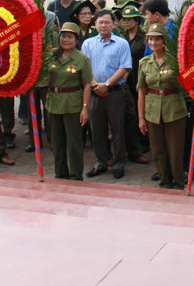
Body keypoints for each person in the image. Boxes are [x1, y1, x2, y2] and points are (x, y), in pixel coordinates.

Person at [38, 22, 93, 180]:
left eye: (70, 37)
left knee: (75, 144)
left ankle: (76, 176)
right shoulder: (51, 56)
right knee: (56, 144)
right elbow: (43, 77)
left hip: (73, 104)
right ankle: (60, 174)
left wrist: (84, 108)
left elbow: (87, 84)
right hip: (53, 103)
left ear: (76, 40)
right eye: (63, 36)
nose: (65, 40)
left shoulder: (81, 58)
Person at [83, 9, 133, 179]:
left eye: (107, 22)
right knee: (96, 130)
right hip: (94, 93)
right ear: (94, 24)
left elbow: (125, 66)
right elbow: (85, 68)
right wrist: (96, 85)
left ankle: (119, 164)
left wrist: (107, 84)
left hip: (115, 93)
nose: (103, 25)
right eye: (100, 22)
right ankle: (100, 162)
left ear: (114, 24)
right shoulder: (88, 44)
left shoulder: (121, 43)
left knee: (117, 130)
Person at [138, 23, 187, 189]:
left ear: (164, 41)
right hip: (152, 110)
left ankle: (178, 182)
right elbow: (141, 91)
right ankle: (164, 181)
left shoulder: (176, 60)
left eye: (157, 39)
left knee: (175, 150)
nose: (153, 43)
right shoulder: (144, 63)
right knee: (158, 150)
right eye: (150, 39)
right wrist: (140, 118)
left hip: (174, 108)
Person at [118, 4, 149, 165]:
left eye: (130, 19)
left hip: (139, 78)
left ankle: (143, 144)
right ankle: (130, 146)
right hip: (123, 81)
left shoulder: (144, 37)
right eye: (124, 19)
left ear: (137, 20)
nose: (127, 22)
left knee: (141, 112)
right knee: (128, 116)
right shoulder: (119, 37)